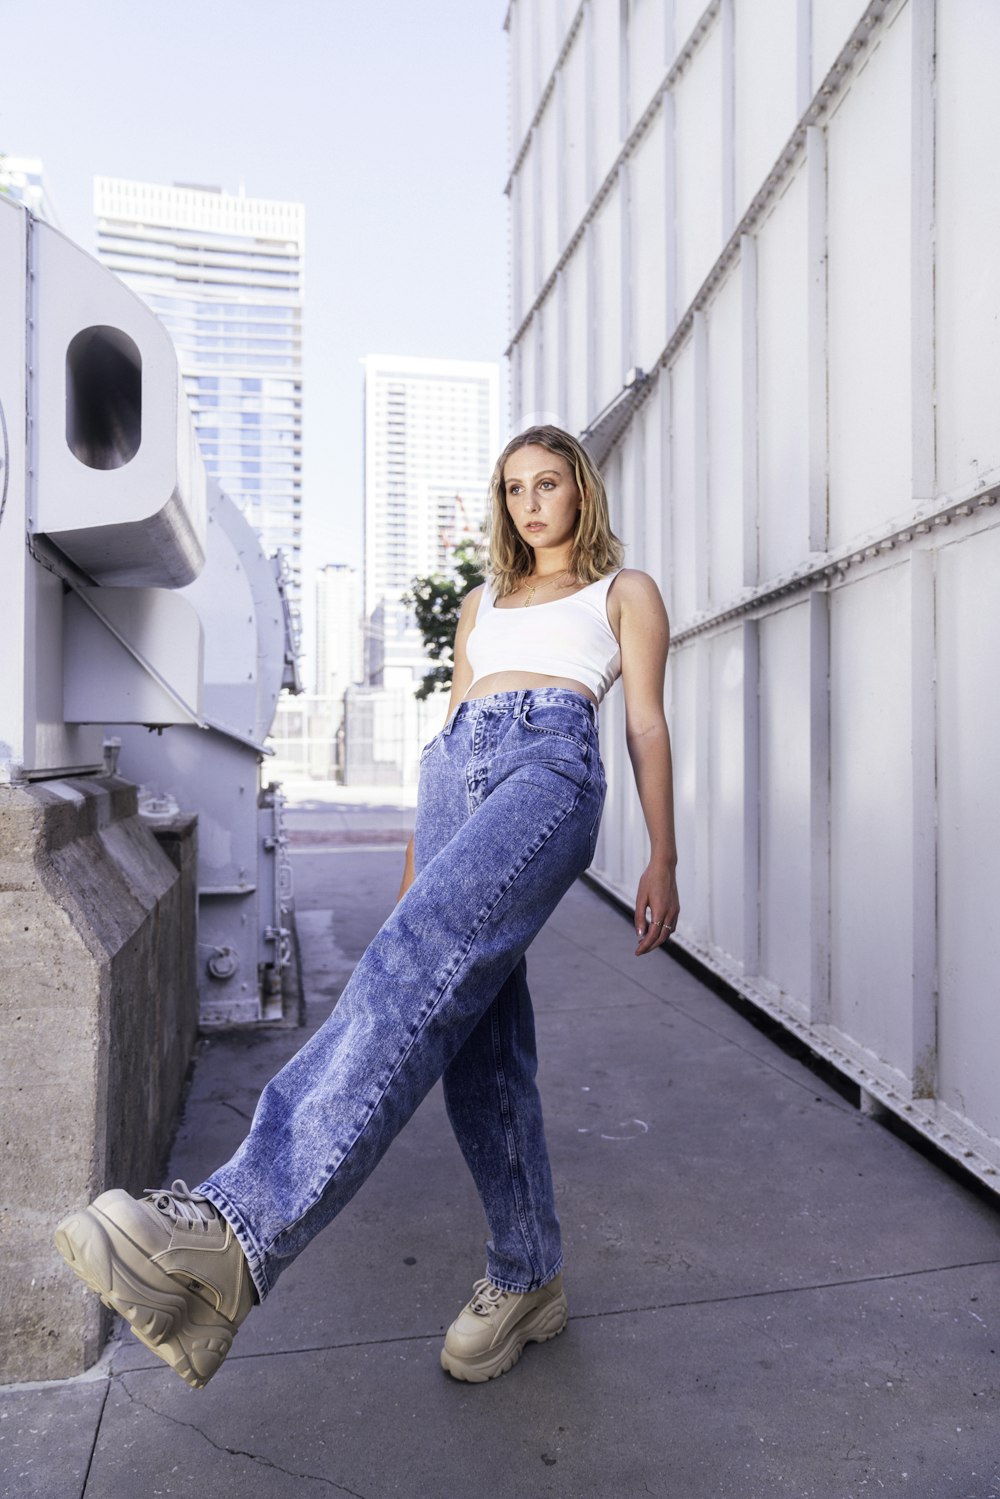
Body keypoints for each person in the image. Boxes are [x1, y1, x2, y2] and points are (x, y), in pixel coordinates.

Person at [54, 424, 680, 1390]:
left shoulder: (623, 592)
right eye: (513, 488)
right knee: (480, 1040)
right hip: (456, 776)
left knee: (417, 975)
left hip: (549, 765)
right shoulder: (480, 605)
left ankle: (232, 1234)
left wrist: (664, 856)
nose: (529, 504)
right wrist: (412, 873)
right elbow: (448, 740)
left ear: (581, 492)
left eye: (547, 484)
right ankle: (530, 1273)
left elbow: (643, 720)